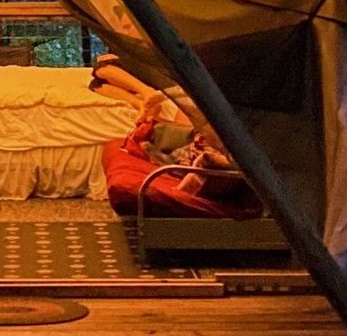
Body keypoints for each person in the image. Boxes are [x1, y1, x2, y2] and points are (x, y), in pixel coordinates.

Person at [89, 54, 262, 219]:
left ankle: (146, 94)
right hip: (186, 147)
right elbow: (188, 131)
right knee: (96, 82)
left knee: (101, 68)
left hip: (184, 147)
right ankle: (142, 101)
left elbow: (188, 132)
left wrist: (155, 125)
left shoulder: (212, 133)